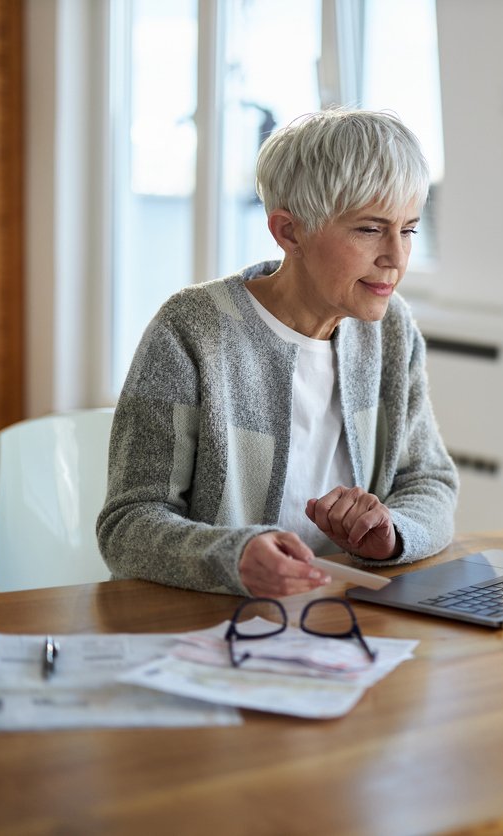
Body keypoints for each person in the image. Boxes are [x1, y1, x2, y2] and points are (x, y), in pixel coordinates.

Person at [97, 108, 458, 598]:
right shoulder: (191, 330)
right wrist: (232, 557)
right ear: (289, 232)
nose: (396, 257)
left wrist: (393, 532)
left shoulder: (391, 331)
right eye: (370, 230)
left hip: (341, 614)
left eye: (409, 229)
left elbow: (430, 481)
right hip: (213, 623)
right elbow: (128, 525)